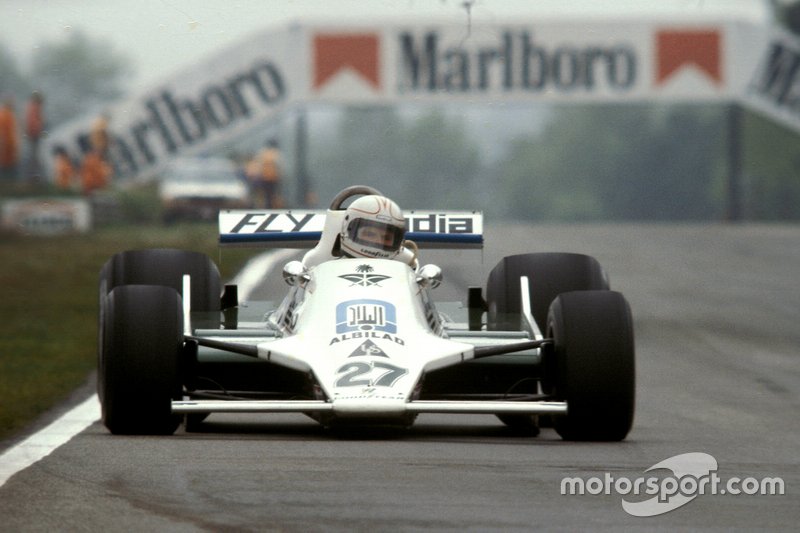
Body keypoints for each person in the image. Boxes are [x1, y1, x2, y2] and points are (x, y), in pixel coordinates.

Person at [247, 139, 283, 208]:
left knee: (265, 195)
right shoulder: (276, 154)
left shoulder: (263, 153)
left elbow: (259, 165)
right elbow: (279, 166)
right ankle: (270, 206)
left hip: (265, 177)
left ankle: (266, 206)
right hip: (272, 178)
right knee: (271, 194)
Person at [24, 91, 45, 183]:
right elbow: (33, 123)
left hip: (33, 134)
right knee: (34, 156)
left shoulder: (32, 107)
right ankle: (33, 178)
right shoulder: (34, 107)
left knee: (34, 156)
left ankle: (33, 177)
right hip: (34, 135)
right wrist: (37, 132)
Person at [0, 97, 19, 182]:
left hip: (7, 147)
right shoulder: (7, 116)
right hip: (7, 147)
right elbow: (8, 133)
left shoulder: (6, 114)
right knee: (7, 168)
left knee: (6, 167)